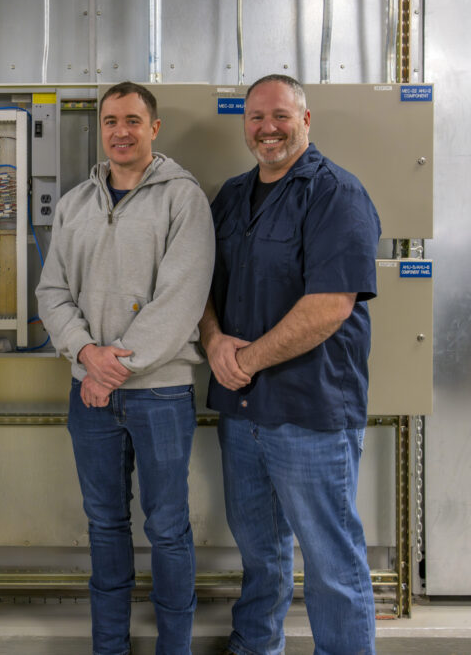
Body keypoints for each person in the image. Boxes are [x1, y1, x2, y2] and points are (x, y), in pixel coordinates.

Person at [199, 74, 381, 654]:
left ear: (307, 120)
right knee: (260, 558)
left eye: (280, 115)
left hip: (311, 414)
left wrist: (245, 357)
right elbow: (199, 283)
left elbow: (330, 305)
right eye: (255, 117)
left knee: (332, 564)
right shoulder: (230, 195)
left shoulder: (337, 194)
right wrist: (211, 341)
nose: (267, 128)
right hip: (242, 412)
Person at [36, 81, 215, 655]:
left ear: (154, 128)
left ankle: (174, 647)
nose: (121, 131)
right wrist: (86, 354)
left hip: (159, 394)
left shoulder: (183, 199)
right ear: (100, 128)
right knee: (105, 526)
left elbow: (181, 297)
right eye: (111, 121)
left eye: (133, 120)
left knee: (167, 528)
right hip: (88, 392)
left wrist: (112, 368)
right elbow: (52, 290)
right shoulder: (74, 204)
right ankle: (108, 645)